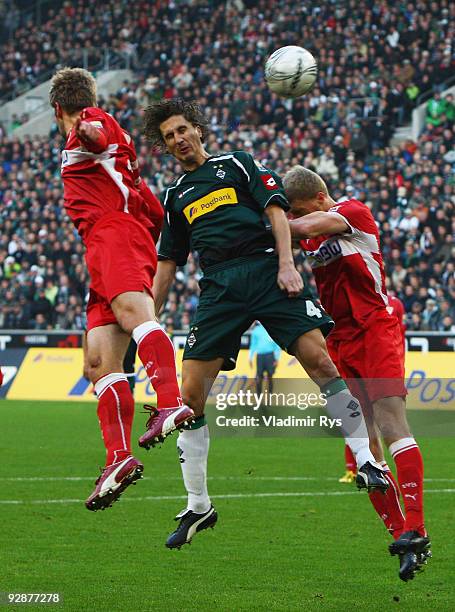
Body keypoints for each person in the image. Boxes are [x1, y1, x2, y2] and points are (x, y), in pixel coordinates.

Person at [142, 98, 388, 550]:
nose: (177, 140)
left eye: (182, 130)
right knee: (189, 398)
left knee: (320, 363)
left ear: (197, 129)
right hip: (218, 288)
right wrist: (148, 321)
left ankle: (367, 459)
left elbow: (277, 211)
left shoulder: (237, 164)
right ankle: (199, 506)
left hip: (266, 269)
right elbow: (167, 261)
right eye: (168, 136)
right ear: (165, 145)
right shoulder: (176, 196)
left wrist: (288, 264)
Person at [49, 68, 194, 512]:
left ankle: (170, 402)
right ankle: (118, 458)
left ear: (58, 109)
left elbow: (94, 134)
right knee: (98, 361)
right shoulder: (117, 160)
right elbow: (147, 200)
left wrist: (84, 128)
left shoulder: (92, 123)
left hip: (113, 235)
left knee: (136, 315)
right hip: (106, 244)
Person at [284, 166, 430, 582]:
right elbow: (299, 233)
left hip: (375, 330)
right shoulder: (311, 233)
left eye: (296, 210)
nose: (294, 219)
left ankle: (417, 528)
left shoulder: (352, 212)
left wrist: (278, 219)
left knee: (390, 424)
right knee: (362, 443)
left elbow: (306, 225)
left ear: (317, 197)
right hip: (339, 340)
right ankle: (401, 535)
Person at [340, 292, 407, 484]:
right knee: (357, 425)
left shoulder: (396, 304)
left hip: (387, 368)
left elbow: (398, 335)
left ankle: (397, 475)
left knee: (389, 426)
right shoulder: (358, 299)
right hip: (357, 368)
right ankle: (355, 470)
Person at [249, 321, 281, 394]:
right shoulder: (256, 330)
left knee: (270, 377)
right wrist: (250, 357)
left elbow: (277, 345)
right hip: (260, 356)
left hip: (270, 355)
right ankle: (259, 399)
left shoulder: (272, 328)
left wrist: (277, 358)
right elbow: (253, 345)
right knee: (259, 377)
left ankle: (269, 398)